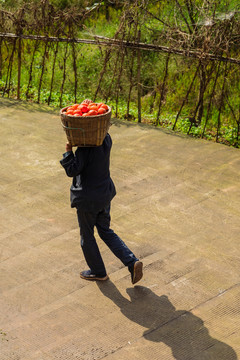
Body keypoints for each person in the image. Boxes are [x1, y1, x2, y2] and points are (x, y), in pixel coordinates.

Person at [60, 133, 143, 284]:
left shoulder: (85, 150)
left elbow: (72, 170)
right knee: (105, 231)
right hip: (104, 194)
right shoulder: (106, 139)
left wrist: (68, 152)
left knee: (87, 236)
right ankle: (132, 262)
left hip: (88, 199)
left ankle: (98, 272)